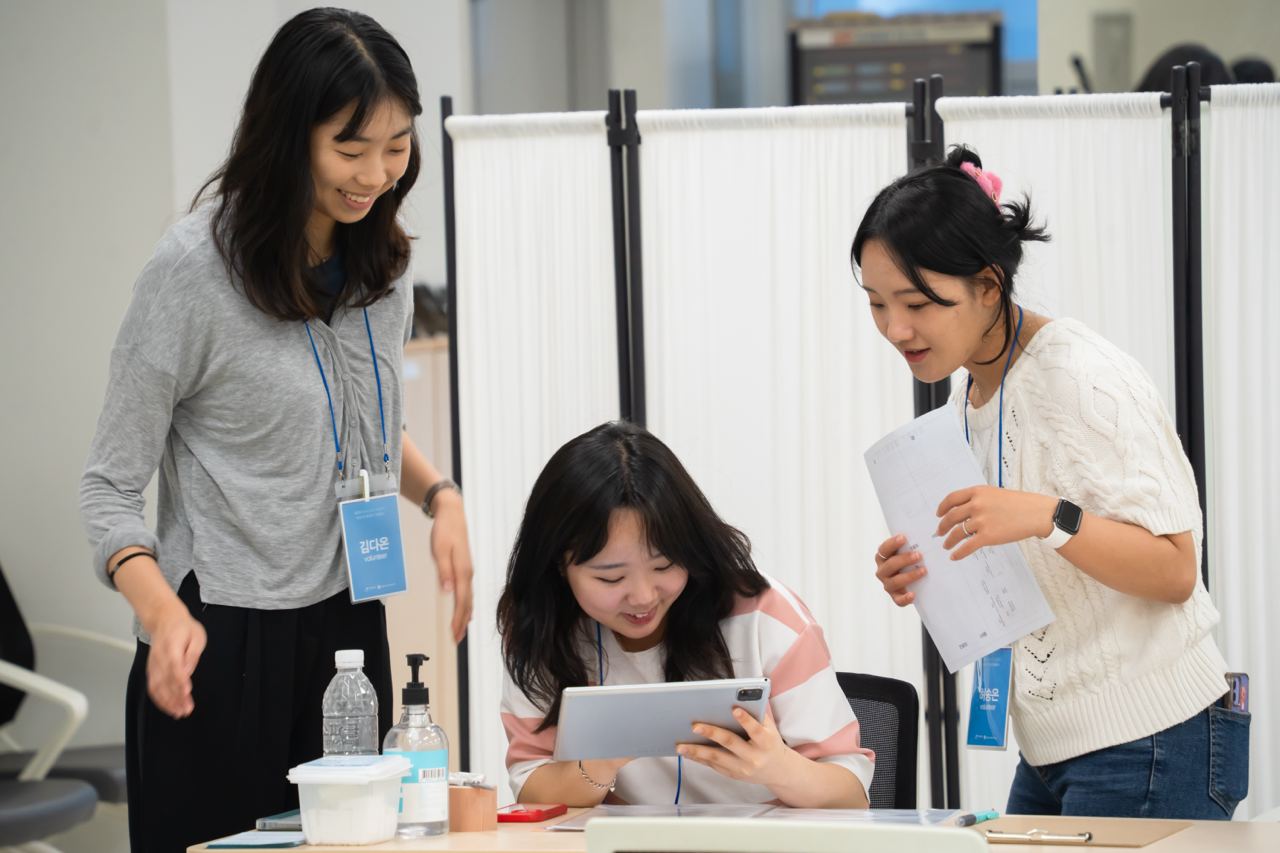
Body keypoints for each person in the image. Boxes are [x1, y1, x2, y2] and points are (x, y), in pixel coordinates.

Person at [78, 9, 474, 851]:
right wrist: (161, 614)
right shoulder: (191, 273)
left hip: (347, 628)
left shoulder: (383, 271)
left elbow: (360, 435)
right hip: (220, 632)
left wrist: (440, 496)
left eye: (397, 146)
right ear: (289, 135)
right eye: (350, 147)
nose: (374, 173)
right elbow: (108, 484)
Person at [851, 146, 1250, 819]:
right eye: (877, 303)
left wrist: (1048, 516)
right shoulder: (967, 399)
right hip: (1053, 744)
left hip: (1150, 734)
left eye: (918, 303)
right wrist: (924, 571)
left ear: (987, 284)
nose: (896, 329)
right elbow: (1027, 581)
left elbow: (1176, 569)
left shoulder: (1080, 377)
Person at [496, 421, 872, 808]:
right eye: (611, 578)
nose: (642, 597)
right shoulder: (541, 628)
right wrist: (600, 762)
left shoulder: (765, 617)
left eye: (664, 566)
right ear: (559, 565)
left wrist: (778, 769)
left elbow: (851, 795)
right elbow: (532, 788)